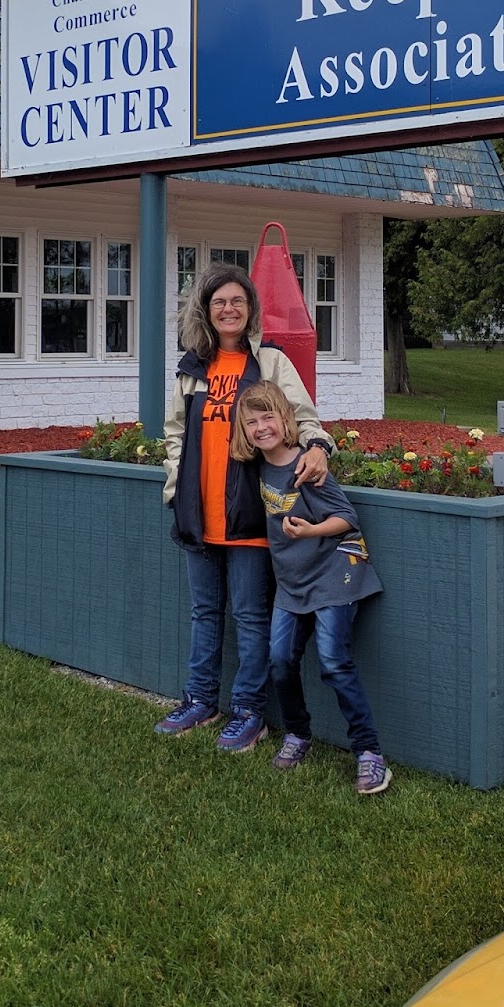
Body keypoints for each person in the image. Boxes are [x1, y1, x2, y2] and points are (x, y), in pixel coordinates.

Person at [158, 264, 334, 753]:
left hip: (252, 511)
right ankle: (200, 699)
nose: (228, 309)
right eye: (219, 302)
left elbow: (304, 416)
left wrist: (318, 446)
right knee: (205, 611)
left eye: (237, 301)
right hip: (199, 511)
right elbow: (175, 431)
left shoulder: (271, 363)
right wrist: (178, 482)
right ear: (207, 312)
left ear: (250, 310)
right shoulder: (193, 367)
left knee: (252, 616)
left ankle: (249, 712)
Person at [233, 381, 391, 796]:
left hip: (333, 572)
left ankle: (369, 752)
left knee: (334, 662)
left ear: (286, 419)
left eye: (268, 417)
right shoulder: (257, 468)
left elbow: (347, 518)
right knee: (280, 659)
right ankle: (298, 734)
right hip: (292, 580)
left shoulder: (308, 466)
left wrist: (311, 531)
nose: (261, 427)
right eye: (252, 422)